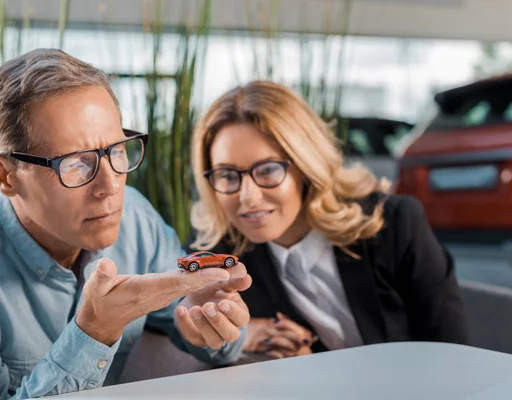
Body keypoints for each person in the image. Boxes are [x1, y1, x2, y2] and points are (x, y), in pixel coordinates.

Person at [0, 49, 252, 399]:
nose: (110, 188)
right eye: (75, 163)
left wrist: (209, 323)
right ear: (5, 176)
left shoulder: (134, 217)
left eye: (117, 150)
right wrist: (93, 332)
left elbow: (203, 326)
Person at [187, 80, 468, 359]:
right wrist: (244, 333)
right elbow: (182, 325)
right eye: (226, 175)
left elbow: (453, 356)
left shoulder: (395, 225)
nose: (247, 197)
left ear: (306, 166)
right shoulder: (223, 252)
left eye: (268, 170)